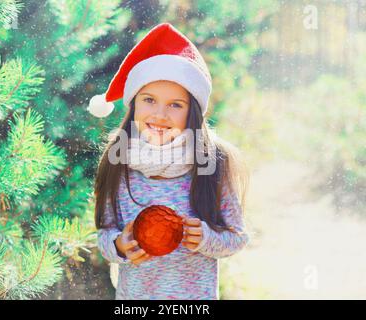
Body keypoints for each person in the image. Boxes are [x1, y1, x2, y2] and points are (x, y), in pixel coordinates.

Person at [89, 22, 250, 300]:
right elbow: (104, 233)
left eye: (176, 104)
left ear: (192, 113)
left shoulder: (210, 165)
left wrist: (206, 239)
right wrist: (118, 245)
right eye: (149, 100)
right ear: (134, 104)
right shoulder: (119, 164)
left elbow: (236, 238)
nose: (160, 114)